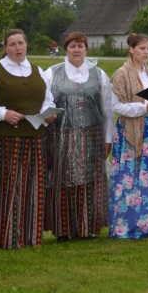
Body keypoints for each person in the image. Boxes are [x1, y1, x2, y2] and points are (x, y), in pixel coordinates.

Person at [0, 29, 55, 249]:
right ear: (5, 48)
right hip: (2, 140)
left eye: (20, 43)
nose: (17, 48)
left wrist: (48, 114)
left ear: (26, 45)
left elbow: (47, 100)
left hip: (33, 139)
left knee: (31, 188)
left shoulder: (38, 71)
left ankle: (29, 235)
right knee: (4, 187)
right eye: (12, 44)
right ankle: (1, 236)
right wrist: (3, 114)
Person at [44, 32, 113, 240]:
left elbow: (108, 110)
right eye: (73, 46)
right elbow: (44, 103)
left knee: (90, 181)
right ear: (66, 49)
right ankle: (63, 229)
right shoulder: (51, 73)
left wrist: (108, 139)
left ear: (86, 49)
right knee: (62, 180)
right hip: (61, 136)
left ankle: (86, 227)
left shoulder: (99, 74)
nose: (77, 50)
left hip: (92, 136)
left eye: (81, 46)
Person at [109, 33, 148, 239]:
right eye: (142, 48)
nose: (146, 53)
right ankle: (125, 227)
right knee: (129, 178)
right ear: (131, 49)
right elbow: (116, 106)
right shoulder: (121, 74)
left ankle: (146, 225)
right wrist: (144, 106)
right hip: (130, 130)